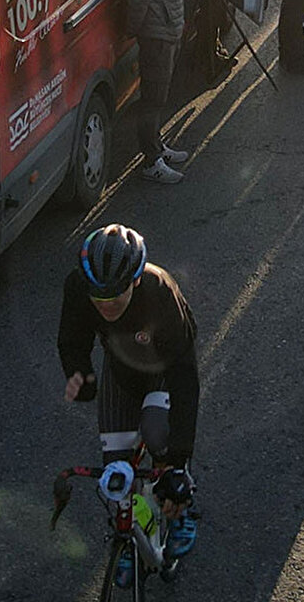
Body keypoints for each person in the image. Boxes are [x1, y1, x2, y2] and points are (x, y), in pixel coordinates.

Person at [58, 225, 199, 568]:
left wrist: (178, 460)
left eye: (114, 294)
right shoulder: (78, 286)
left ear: (135, 281)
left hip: (165, 367)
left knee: (157, 433)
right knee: (116, 475)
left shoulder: (159, 291)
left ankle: (180, 509)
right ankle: (133, 535)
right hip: (121, 368)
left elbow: (184, 377)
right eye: (98, 295)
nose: (106, 304)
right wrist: (82, 378)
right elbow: (72, 341)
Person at [127, 0, 188, 182]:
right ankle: (151, 162)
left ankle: (158, 146)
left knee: (159, 97)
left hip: (168, 31)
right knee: (152, 100)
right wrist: (135, 29)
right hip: (157, 36)